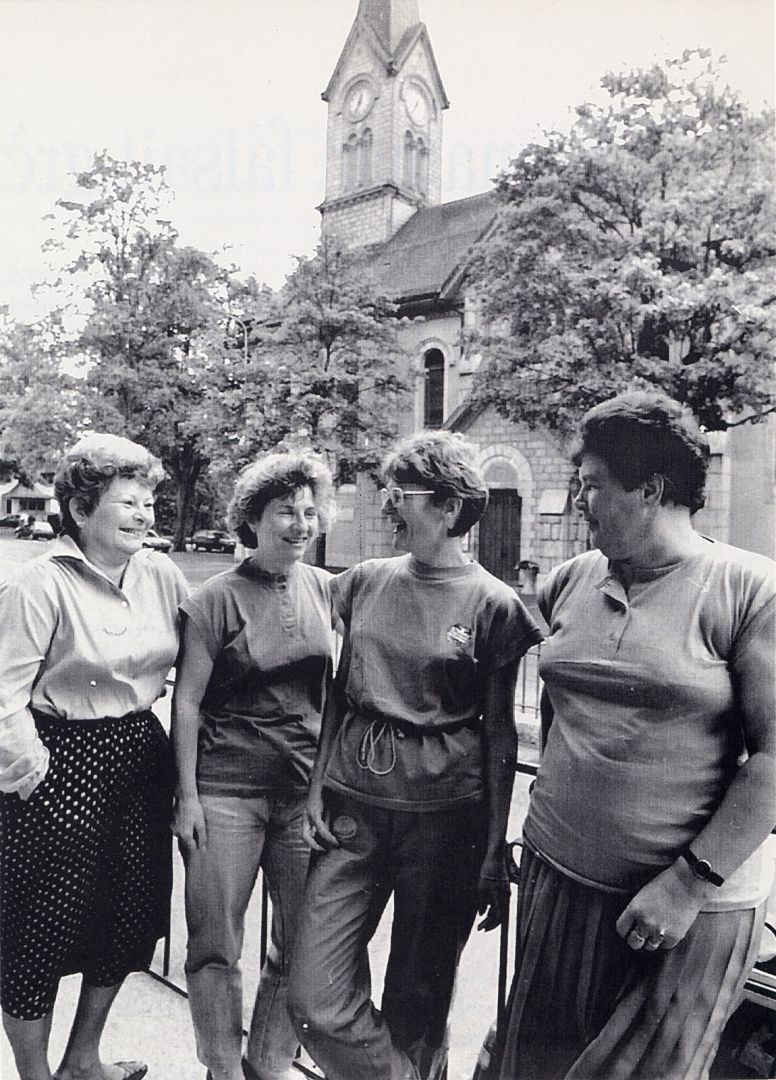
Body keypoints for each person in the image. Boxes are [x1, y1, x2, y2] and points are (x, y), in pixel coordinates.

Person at [498, 391, 776, 1080]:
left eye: (592, 485)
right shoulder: (569, 581)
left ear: (650, 489)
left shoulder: (749, 590)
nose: (580, 501)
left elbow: (773, 759)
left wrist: (687, 885)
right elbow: (561, 710)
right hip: (557, 883)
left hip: (683, 911)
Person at [288, 431, 543, 1080]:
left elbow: (499, 734)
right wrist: (315, 790)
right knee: (314, 996)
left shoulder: (494, 604)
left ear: (449, 508)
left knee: (418, 999)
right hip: (352, 811)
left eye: (400, 493)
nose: (387, 504)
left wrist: (493, 848)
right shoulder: (362, 583)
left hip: (446, 820)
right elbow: (336, 695)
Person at [0, 433, 188, 1080]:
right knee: (40, 929)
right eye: (127, 502)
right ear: (81, 510)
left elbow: (200, 660)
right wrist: (32, 777)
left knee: (127, 917)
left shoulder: (161, 574)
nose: (144, 514)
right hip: (61, 759)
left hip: (138, 757)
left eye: (148, 502)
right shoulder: (37, 584)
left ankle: (82, 1061)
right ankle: (34, 1075)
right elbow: (3, 695)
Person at [171, 451, 336, 1080]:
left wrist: (323, 788)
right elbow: (186, 702)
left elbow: (332, 693)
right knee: (215, 944)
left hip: (301, 794)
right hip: (224, 793)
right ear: (253, 519)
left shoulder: (324, 587)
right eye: (285, 512)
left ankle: (267, 1063)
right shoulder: (213, 599)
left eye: (308, 512)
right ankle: (222, 1069)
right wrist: (187, 797)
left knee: (301, 945)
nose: (300, 525)